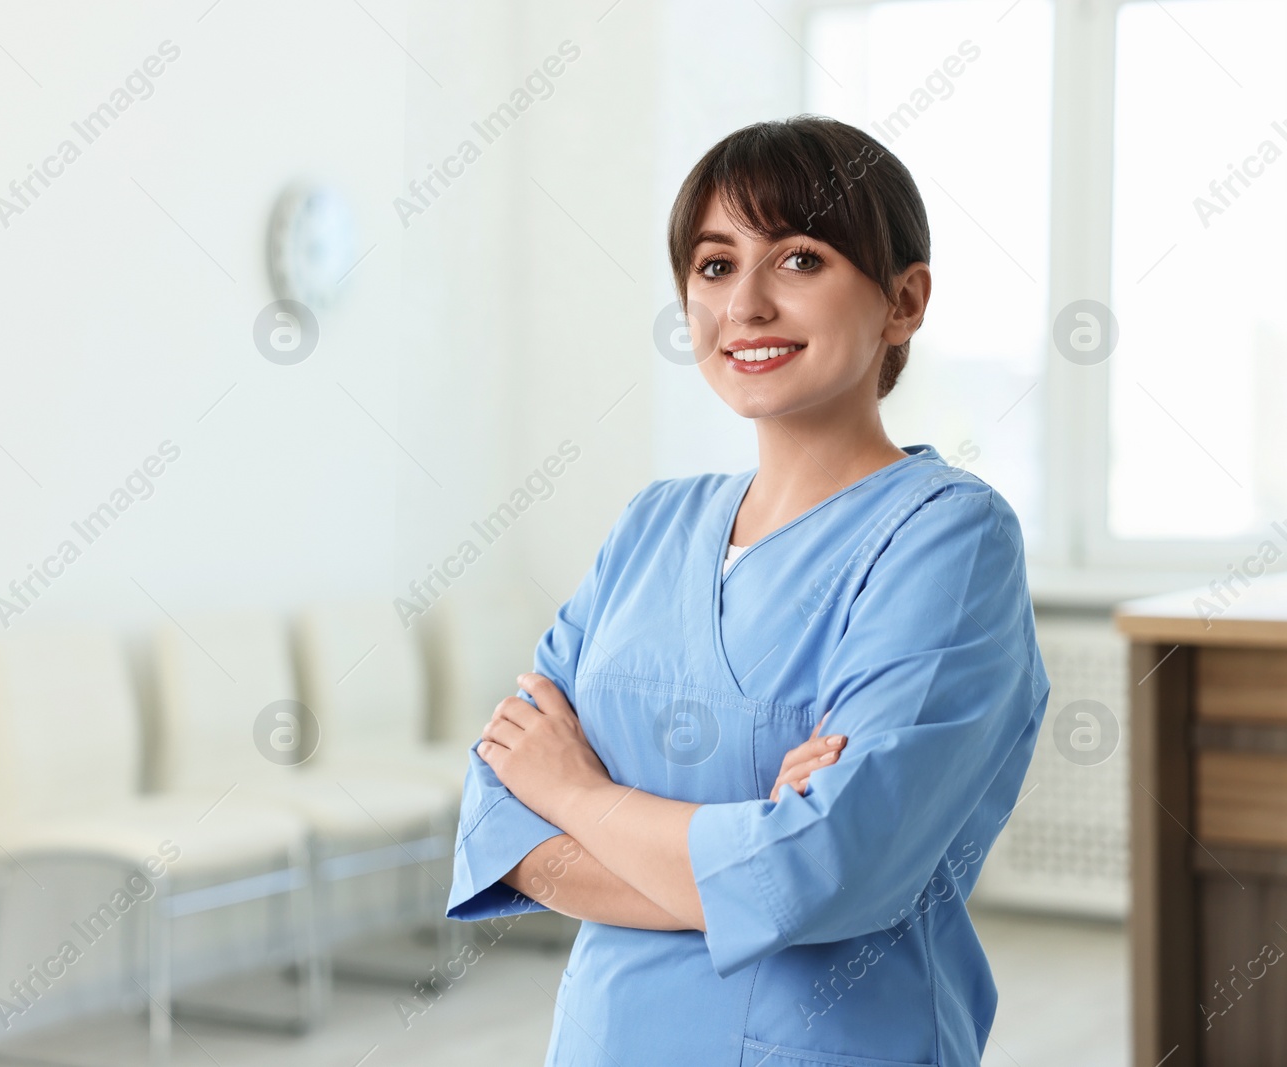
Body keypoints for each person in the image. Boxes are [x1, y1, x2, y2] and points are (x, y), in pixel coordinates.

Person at [446, 115, 1050, 1067]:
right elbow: (500, 823)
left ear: (904, 300)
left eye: (801, 259)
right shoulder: (653, 526)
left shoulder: (948, 537)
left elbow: (828, 869)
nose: (748, 304)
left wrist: (577, 788)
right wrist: (746, 858)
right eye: (716, 264)